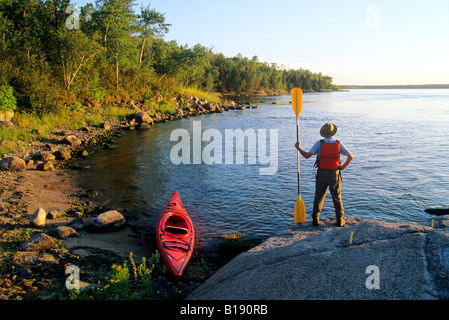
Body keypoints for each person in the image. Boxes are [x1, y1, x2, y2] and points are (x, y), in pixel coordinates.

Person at [295, 122, 354, 227]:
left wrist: (298, 148)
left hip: (322, 173)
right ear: (333, 133)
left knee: (318, 197)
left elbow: (307, 156)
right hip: (334, 174)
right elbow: (350, 157)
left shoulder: (319, 143)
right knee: (337, 197)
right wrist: (343, 167)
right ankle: (340, 220)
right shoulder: (338, 144)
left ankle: (315, 220)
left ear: (323, 133)